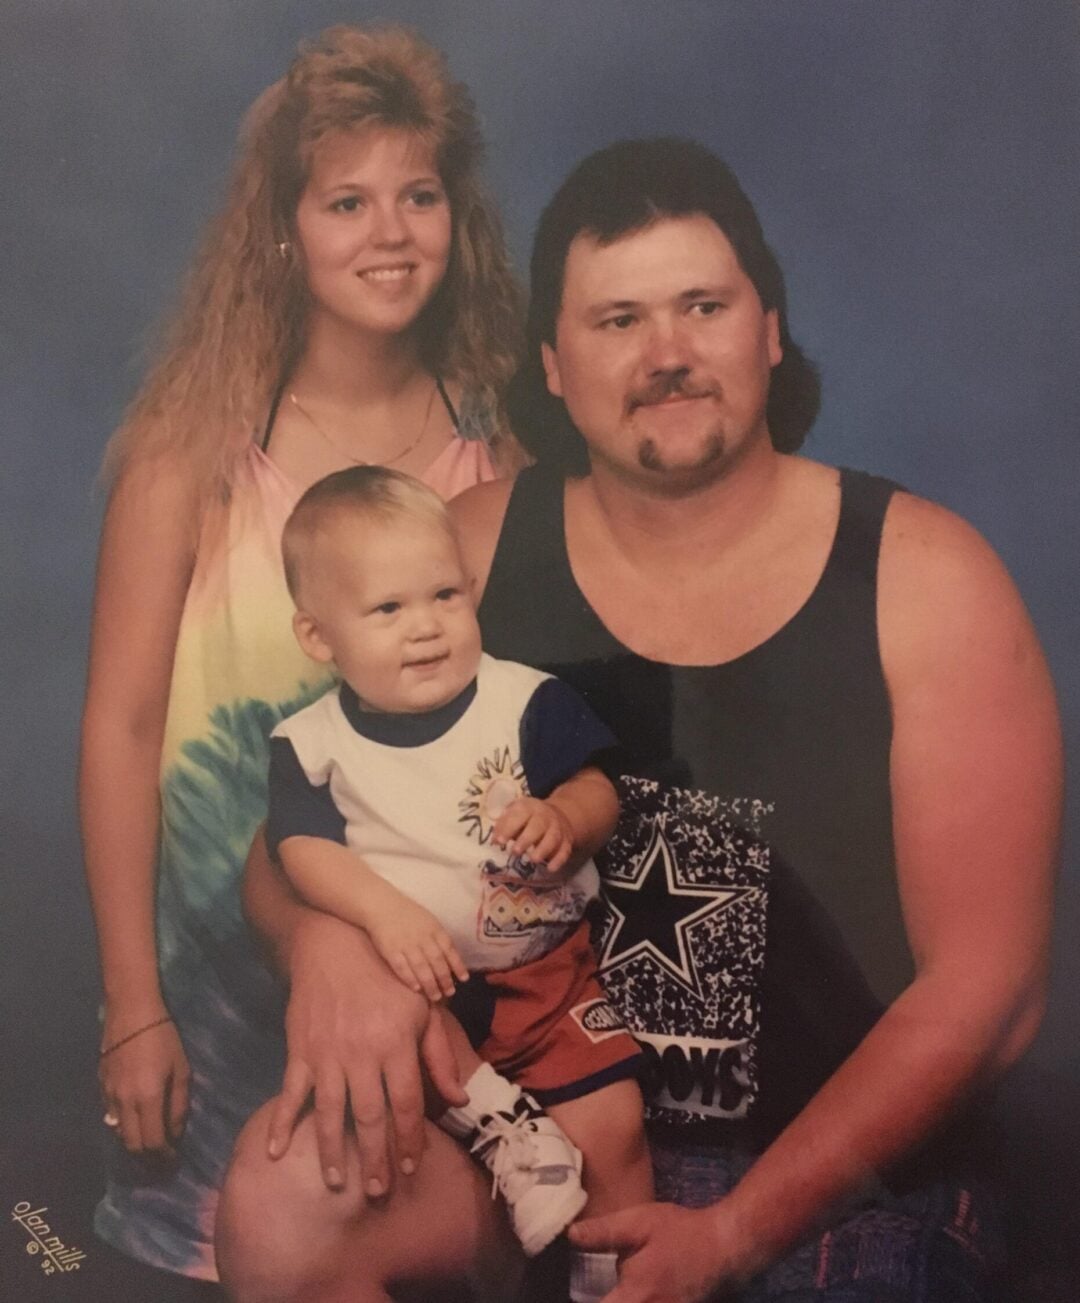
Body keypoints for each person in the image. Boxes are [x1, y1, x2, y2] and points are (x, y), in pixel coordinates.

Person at [220, 137, 1061, 1303]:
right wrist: (322, 947)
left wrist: (731, 1232)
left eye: (703, 307)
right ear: (555, 365)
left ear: (768, 328)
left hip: (845, 1172)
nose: (667, 355)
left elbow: (991, 997)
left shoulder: (924, 578)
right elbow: (289, 832)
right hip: (539, 1138)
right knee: (278, 1208)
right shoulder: (465, 553)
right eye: (617, 321)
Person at [78, 23, 521, 1289]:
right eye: (347, 200)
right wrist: (131, 1006)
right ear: (283, 228)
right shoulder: (191, 452)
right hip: (218, 1006)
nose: (390, 233)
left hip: (438, 997)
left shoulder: (500, 453)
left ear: (458, 215)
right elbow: (118, 733)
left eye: (419, 195)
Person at [267, 465, 650, 1276]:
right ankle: (506, 1125)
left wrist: (568, 819)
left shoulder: (520, 701)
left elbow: (598, 786)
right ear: (318, 637)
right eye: (388, 609)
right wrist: (383, 912)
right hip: (424, 989)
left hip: (546, 976)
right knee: (399, 1053)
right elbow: (298, 848)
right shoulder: (312, 745)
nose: (427, 628)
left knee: (614, 1122)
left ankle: (613, 1274)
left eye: (446, 596)